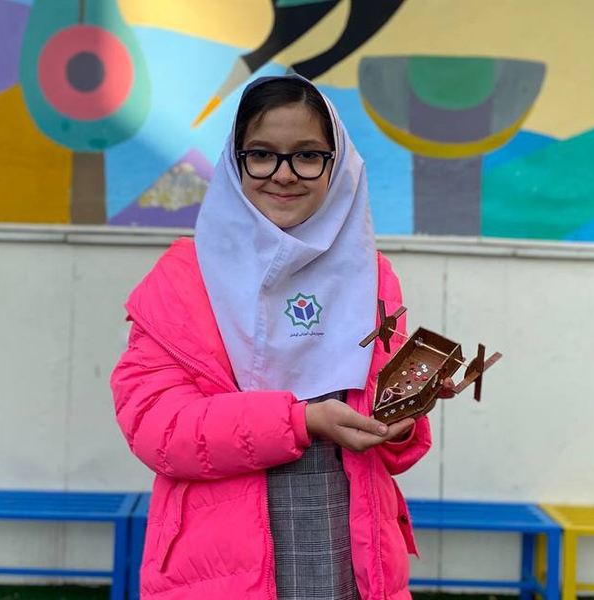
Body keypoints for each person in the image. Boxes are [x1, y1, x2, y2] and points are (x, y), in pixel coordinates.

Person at [110, 74, 454, 600]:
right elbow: (159, 429)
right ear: (235, 160)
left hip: (352, 566)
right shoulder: (182, 280)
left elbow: (390, 452)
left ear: (338, 163)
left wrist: (401, 419)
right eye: (262, 155)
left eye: (308, 155)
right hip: (222, 574)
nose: (284, 174)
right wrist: (301, 420)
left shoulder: (371, 275)